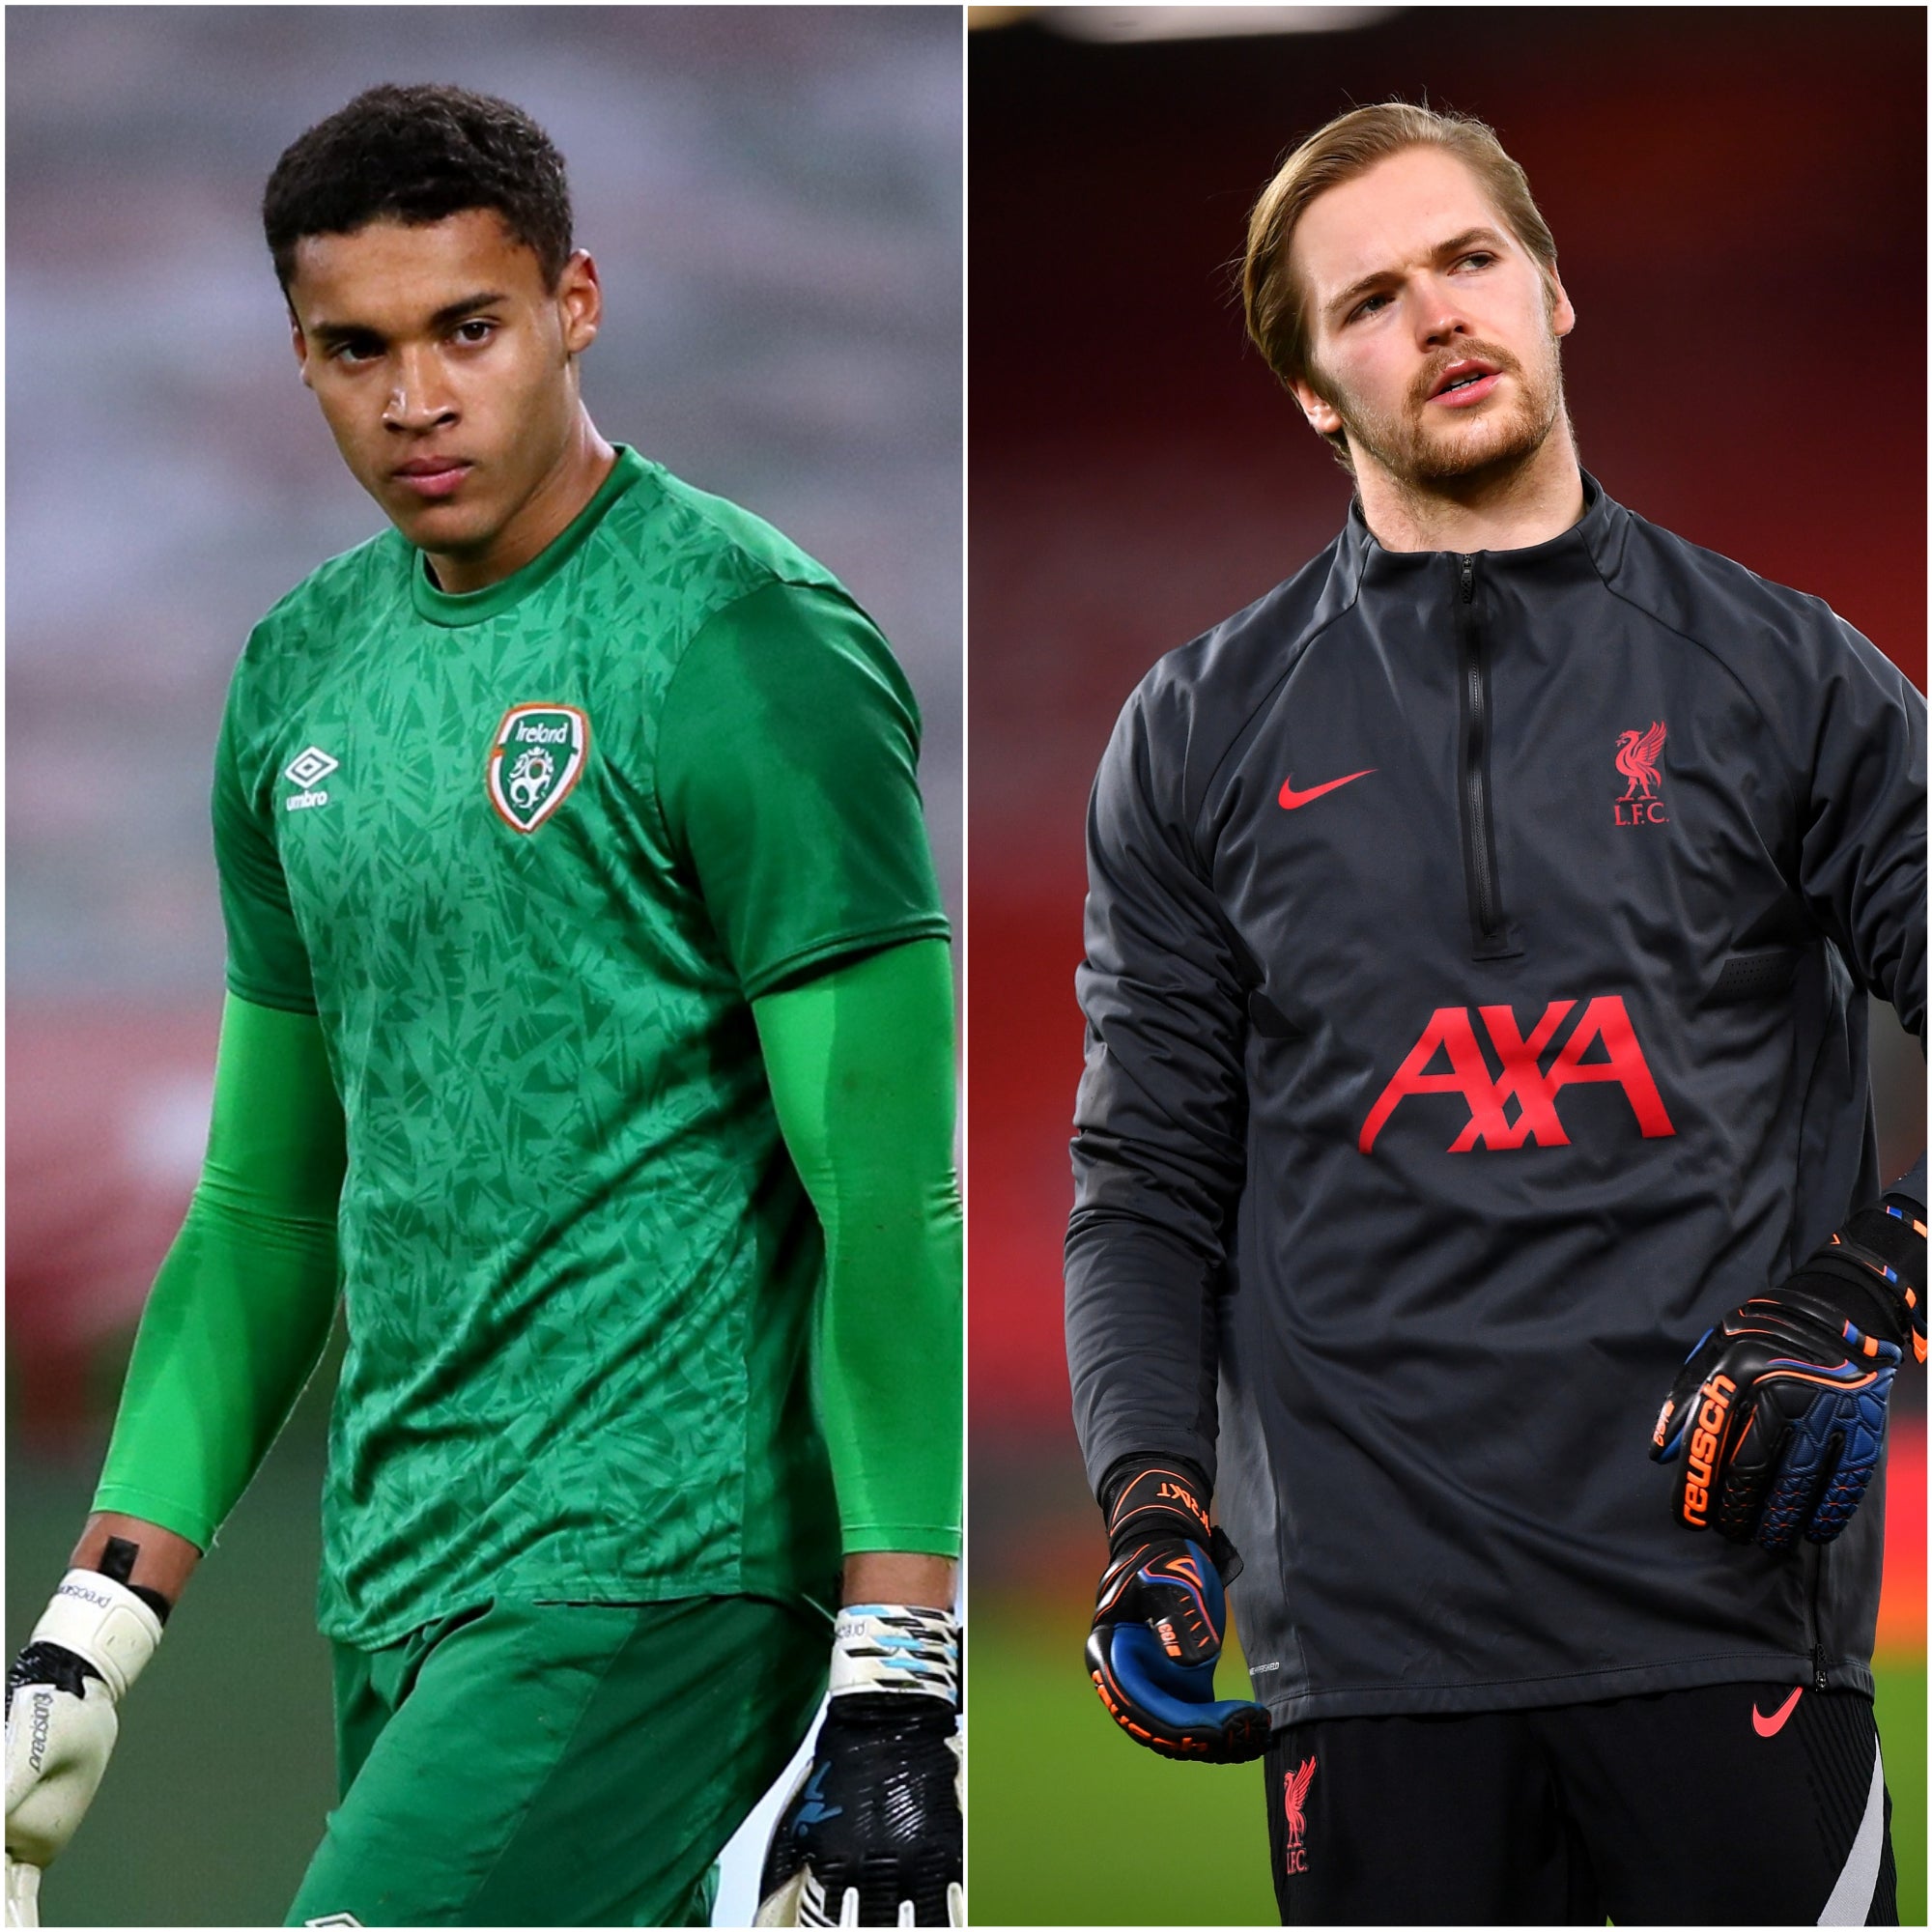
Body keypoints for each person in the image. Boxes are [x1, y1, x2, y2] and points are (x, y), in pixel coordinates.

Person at [4, 84, 962, 1930]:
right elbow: (267, 1207)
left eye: (470, 328)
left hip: (662, 1558)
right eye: (357, 349)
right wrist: (93, 1626)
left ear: (575, 304)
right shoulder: (298, 676)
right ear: (299, 358)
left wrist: (903, 1680)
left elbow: (890, 1193)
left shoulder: (747, 644)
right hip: (397, 1573)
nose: (416, 399)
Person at [1067, 100, 1923, 1926]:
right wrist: (1151, 1501)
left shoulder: (1788, 679)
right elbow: (1142, 1182)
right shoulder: (1201, 730)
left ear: (1551, 289)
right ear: (1311, 386)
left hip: (1726, 1621)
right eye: (1367, 298)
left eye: (1468, 260)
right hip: (1374, 1670)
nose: (1439, 314)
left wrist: (1880, 1282)